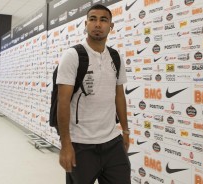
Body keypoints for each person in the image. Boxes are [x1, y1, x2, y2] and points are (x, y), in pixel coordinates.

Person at [56, 4, 131, 184]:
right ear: (86, 24)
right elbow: (63, 101)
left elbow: (119, 96)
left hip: (113, 142)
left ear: (111, 26)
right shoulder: (72, 56)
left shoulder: (116, 57)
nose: (98, 24)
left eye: (103, 20)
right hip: (81, 145)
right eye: (93, 19)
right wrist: (66, 144)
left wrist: (126, 131)